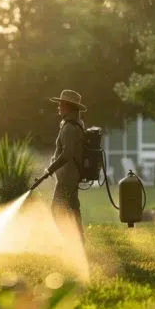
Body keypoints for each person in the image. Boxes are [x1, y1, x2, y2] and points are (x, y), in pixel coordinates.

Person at [43, 89, 87, 242]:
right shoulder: (75, 124)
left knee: (57, 209)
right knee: (74, 210)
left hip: (67, 178)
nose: (58, 106)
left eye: (61, 104)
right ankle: (79, 242)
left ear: (68, 106)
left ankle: (72, 242)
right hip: (71, 176)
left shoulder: (69, 128)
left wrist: (50, 169)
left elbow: (67, 154)